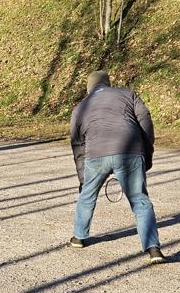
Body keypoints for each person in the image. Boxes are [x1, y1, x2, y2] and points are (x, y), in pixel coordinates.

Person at [68, 70, 166, 264]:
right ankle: (153, 248)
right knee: (140, 200)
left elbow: (77, 144)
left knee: (87, 195)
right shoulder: (128, 94)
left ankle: (79, 237)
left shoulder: (81, 106)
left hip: (96, 154)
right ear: (107, 83)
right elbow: (145, 118)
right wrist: (147, 151)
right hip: (130, 150)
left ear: (89, 87)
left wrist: (82, 178)